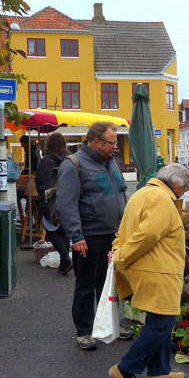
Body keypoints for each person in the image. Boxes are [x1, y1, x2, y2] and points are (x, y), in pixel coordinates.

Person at [108, 164, 189, 378]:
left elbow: (125, 230)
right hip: (159, 271)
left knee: (159, 320)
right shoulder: (163, 199)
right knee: (163, 323)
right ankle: (126, 369)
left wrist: (118, 250)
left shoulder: (141, 194)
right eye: (186, 188)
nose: (184, 193)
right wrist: (121, 256)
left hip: (148, 270)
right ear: (177, 183)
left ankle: (159, 370)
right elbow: (148, 235)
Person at [56, 121, 131, 350]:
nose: (115, 147)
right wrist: (76, 236)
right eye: (111, 142)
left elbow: (120, 194)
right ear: (96, 141)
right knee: (87, 286)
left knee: (110, 284)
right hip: (88, 237)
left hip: (113, 235)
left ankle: (109, 326)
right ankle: (85, 331)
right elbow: (66, 204)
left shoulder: (111, 162)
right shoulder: (74, 165)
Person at [34, 131, 72, 275]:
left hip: (51, 200)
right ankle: (64, 262)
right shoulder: (69, 159)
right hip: (67, 198)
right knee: (63, 229)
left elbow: (41, 184)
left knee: (51, 229)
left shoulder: (46, 161)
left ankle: (65, 258)